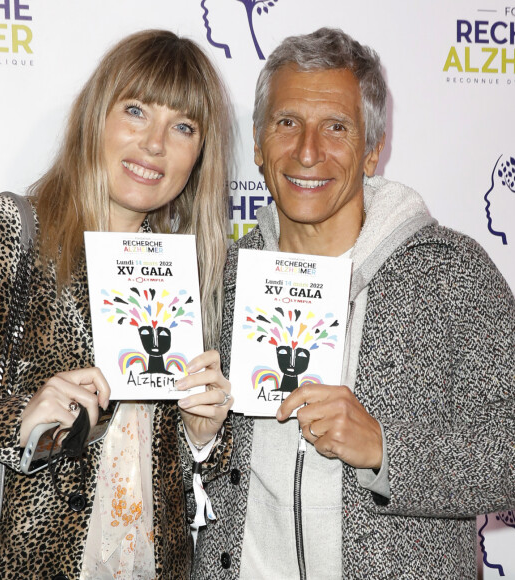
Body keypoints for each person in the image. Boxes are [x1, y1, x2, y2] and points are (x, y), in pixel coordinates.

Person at [190, 27, 515, 579]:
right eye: (287, 123)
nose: (308, 151)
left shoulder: (450, 272)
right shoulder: (221, 274)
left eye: (336, 128)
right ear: (258, 141)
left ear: (371, 151)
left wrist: (385, 449)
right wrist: (199, 439)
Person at [0, 29, 234, 579]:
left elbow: (175, 478)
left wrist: (203, 437)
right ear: (96, 115)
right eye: (137, 111)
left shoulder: (187, 273)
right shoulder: (4, 229)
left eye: (183, 127)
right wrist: (19, 419)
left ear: (200, 154)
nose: (155, 144)